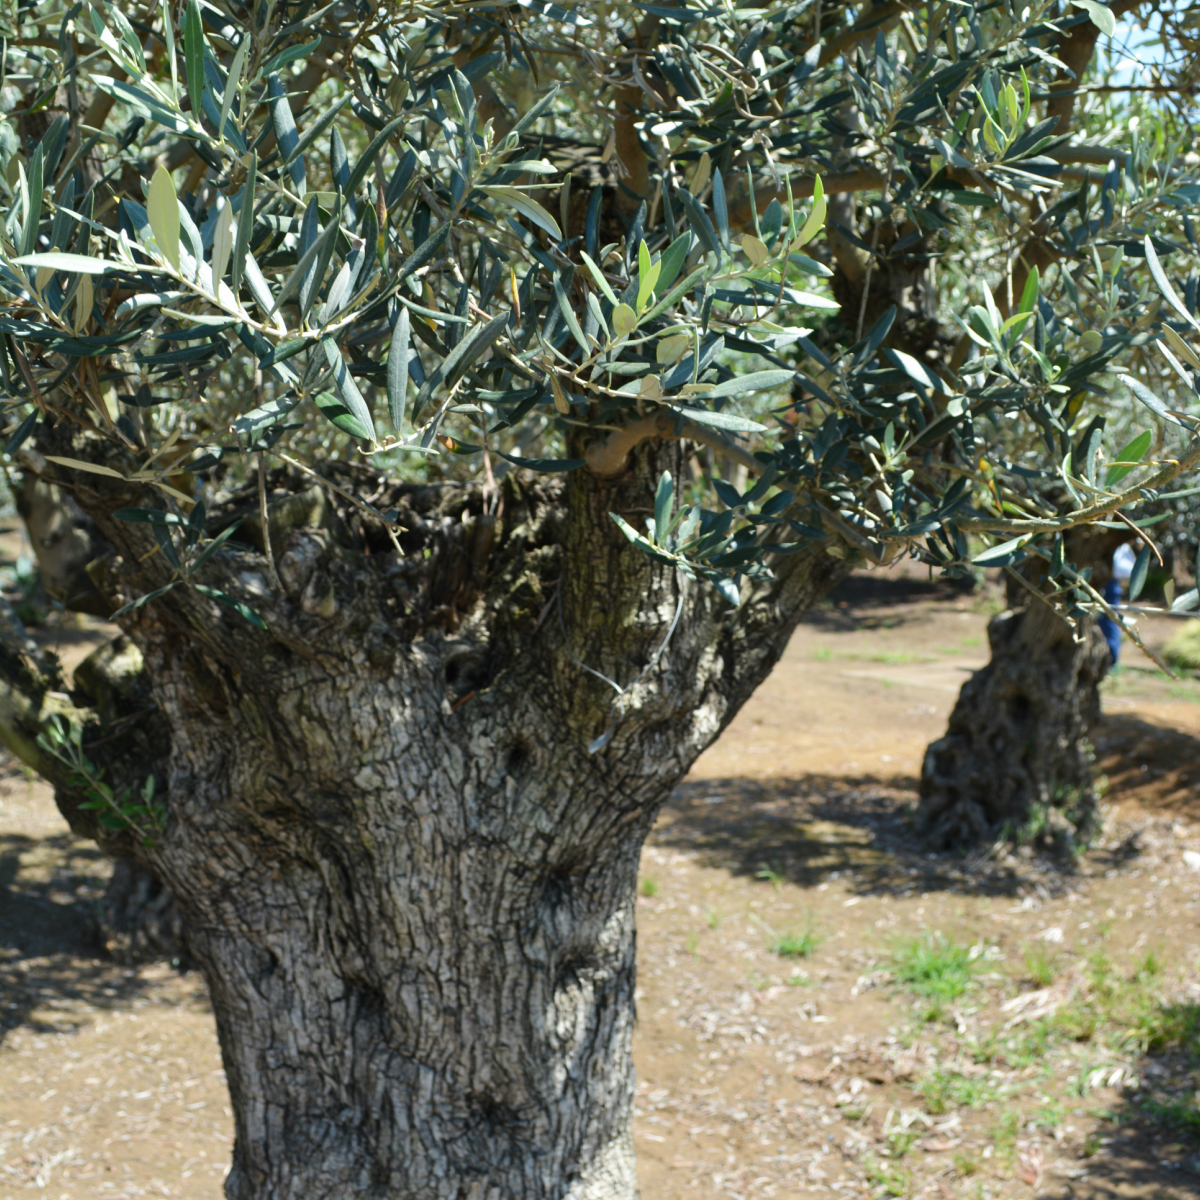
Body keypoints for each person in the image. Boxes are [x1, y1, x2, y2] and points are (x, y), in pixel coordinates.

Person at [1099, 542, 1136, 665]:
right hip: (1109, 582)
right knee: (1109, 620)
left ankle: (1112, 659)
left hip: (1109, 583)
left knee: (1110, 620)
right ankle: (1111, 659)